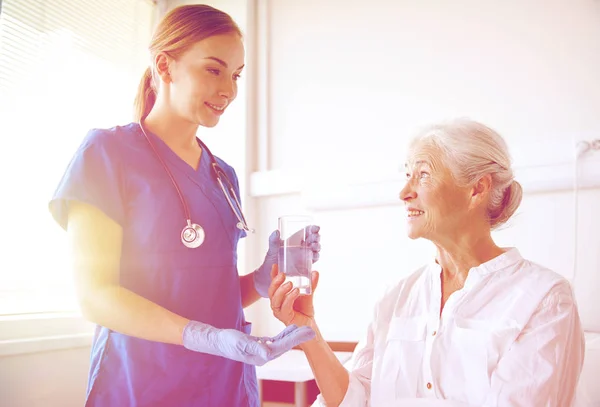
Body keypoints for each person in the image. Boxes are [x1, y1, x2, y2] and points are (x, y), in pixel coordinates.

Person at [48, 5, 320, 407]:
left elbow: (208, 291)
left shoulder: (222, 175)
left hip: (225, 385)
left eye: (236, 75)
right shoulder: (107, 154)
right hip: (143, 383)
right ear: (165, 65)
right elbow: (95, 295)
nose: (229, 89)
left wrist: (261, 282)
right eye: (214, 69)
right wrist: (202, 336)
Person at [268, 118, 585, 407]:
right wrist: (307, 332)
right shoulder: (394, 297)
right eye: (407, 176)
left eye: (422, 175)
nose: (404, 192)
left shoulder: (545, 299)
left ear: (477, 189)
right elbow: (355, 399)